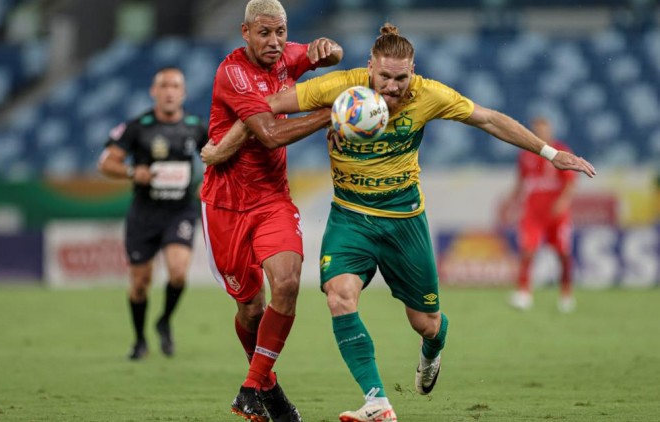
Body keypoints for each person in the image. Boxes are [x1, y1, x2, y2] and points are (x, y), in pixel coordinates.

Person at [203, 23, 596, 422]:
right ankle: (377, 402)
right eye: (384, 76)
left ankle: (433, 350)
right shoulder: (339, 87)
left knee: (425, 323)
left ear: (414, 71)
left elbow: (490, 119)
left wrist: (550, 153)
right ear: (370, 67)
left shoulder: (429, 95)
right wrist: (223, 149)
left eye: (401, 77)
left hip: (404, 221)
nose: (392, 86)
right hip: (351, 218)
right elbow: (265, 106)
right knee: (339, 296)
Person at [200, 0, 343, 421]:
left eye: (281, 32)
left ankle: (250, 388)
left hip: (272, 199)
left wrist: (328, 48)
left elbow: (334, 55)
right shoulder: (234, 74)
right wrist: (327, 114)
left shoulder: (286, 56)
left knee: (288, 281)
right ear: (245, 33)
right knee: (250, 308)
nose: (275, 42)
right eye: (265, 33)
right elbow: (271, 135)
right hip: (225, 205)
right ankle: (269, 387)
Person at [98, 67, 208, 361]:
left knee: (178, 273)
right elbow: (106, 163)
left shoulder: (197, 127)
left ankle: (164, 320)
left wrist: (209, 182)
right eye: (164, 85)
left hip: (180, 211)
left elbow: (217, 156)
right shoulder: (137, 127)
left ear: (183, 93)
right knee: (139, 283)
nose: (170, 91)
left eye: (175, 86)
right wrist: (134, 171)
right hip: (144, 214)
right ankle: (139, 340)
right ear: (154, 92)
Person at [507, 117, 578, 313]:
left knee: (563, 254)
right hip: (533, 213)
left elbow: (571, 182)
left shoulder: (561, 151)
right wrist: (512, 204)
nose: (540, 133)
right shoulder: (526, 155)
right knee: (527, 251)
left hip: (556, 214)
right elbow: (521, 182)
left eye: (543, 129)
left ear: (550, 131)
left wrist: (563, 202)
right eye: (536, 130)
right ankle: (523, 293)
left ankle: (566, 293)